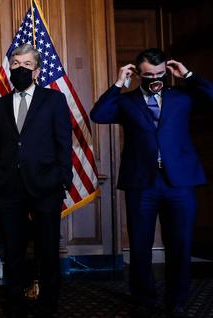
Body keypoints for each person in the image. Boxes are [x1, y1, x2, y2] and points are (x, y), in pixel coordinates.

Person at [90, 48, 213, 317]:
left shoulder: (181, 96)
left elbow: (211, 95)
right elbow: (98, 114)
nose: (154, 78)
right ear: (137, 73)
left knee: (180, 244)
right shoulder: (127, 101)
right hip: (142, 182)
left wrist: (188, 75)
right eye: (148, 75)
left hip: (179, 182)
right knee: (140, 244)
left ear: (165, 72)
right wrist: (119, 83)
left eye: (159, 74)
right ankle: (144, 298)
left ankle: (177, 299)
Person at [0, 43, 72, 318]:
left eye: (26, 65)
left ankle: (48, 306)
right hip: (9, 189)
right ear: (9, 68)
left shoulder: (54, 100)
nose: (20, 69)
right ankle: (14, 304)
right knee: (12, 250)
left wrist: (62, 179)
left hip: (46, 186)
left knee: (47, 250)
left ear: (36, 71)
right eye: (15, 64)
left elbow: (63, 143)